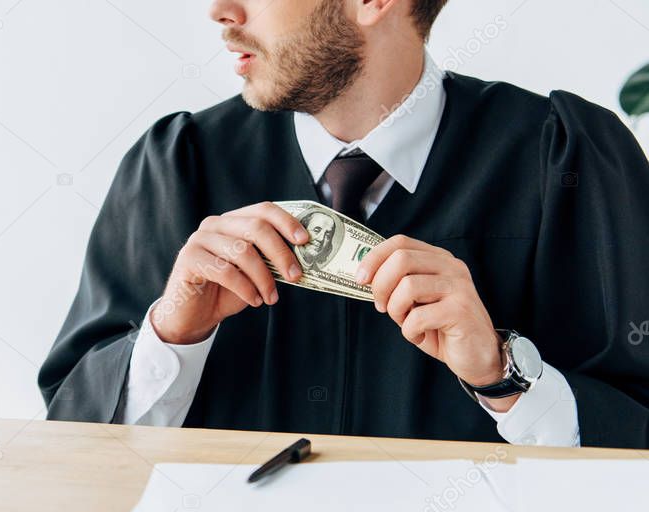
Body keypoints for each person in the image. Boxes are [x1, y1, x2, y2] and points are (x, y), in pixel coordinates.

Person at [38, 0, 649, 448]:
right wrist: (170, 338)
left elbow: (634, 441)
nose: (220, 11)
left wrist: (502, 375)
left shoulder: (565, 161)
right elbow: (74, 445)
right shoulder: (179, 165)